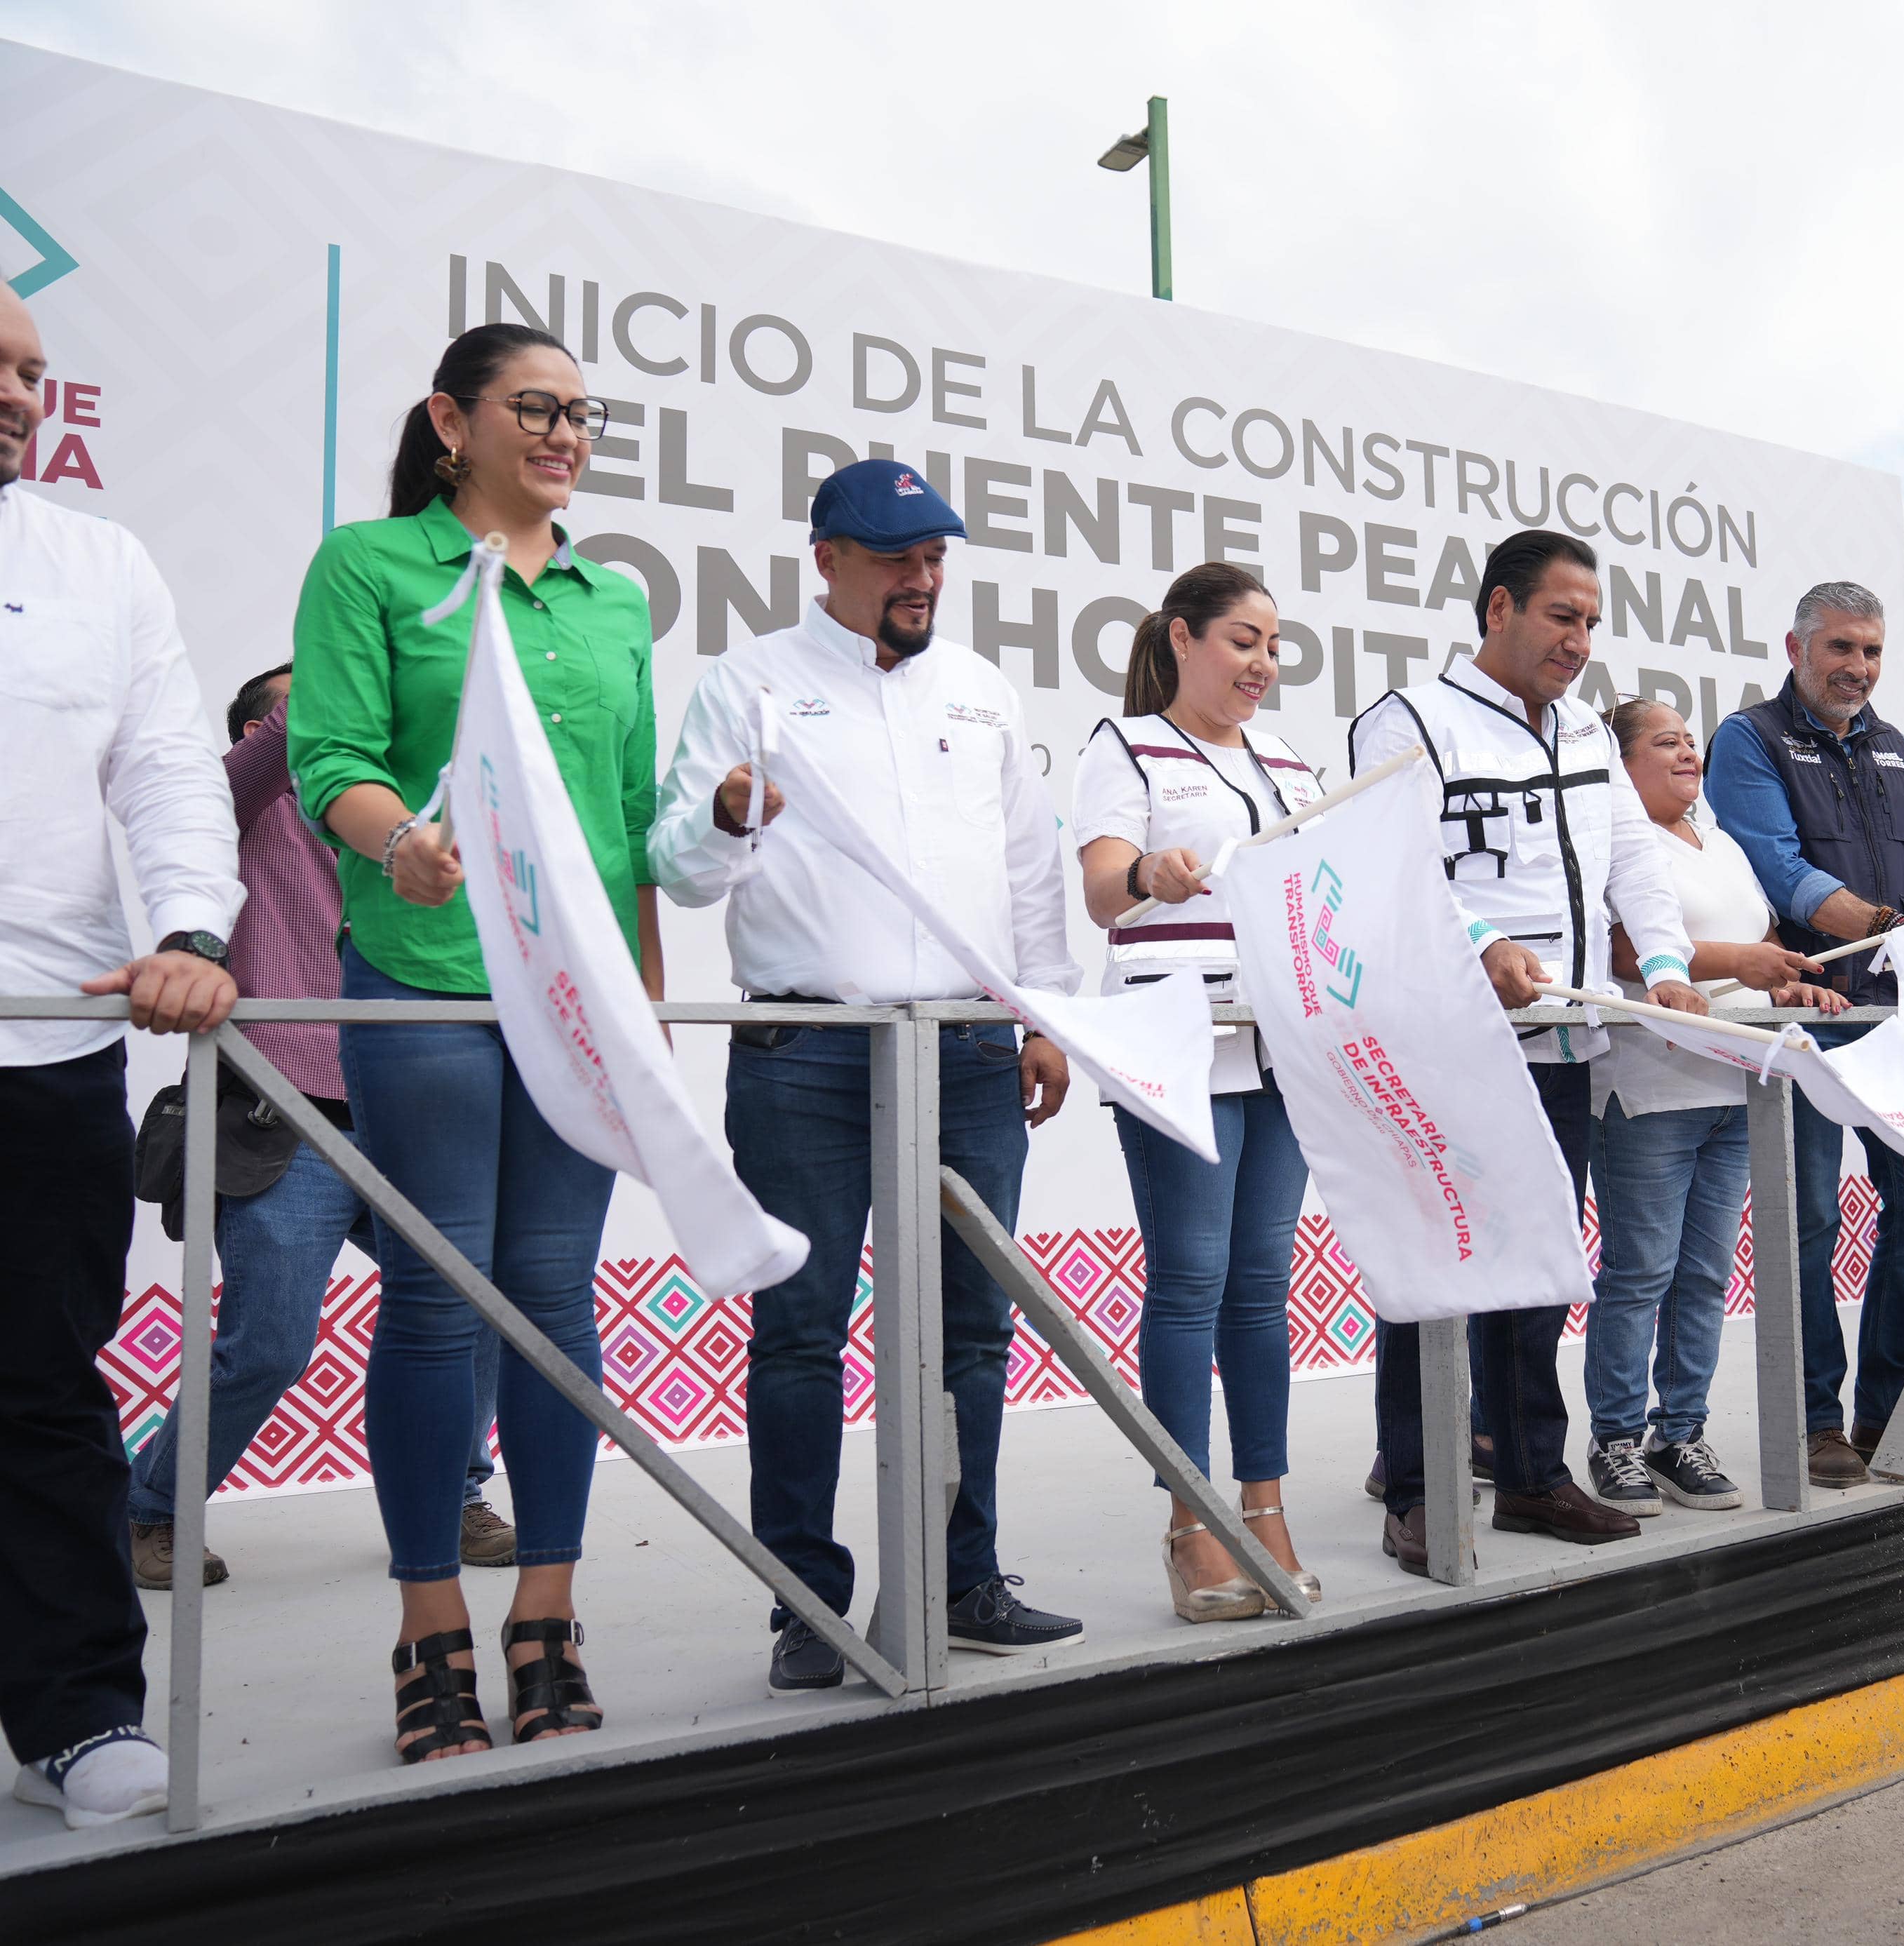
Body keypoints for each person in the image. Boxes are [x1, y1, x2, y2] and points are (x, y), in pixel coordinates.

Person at [290, 321, 659, 1760]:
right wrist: (401, 850)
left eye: (583, 412)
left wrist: (642, 1004)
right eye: (536, 408)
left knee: (556, 1303)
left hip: (580, 1004)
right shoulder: (370, 568)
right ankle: (429, 1619)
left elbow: (626, 822)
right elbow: (332, 760)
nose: (565, 434)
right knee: (443, 1301)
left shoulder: (614, 598)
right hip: (426, 978)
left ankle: (548, 1614)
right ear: (452, 420)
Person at [652, 458, 1082, 1686]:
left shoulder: (984, 689)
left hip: (967, 1048)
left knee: (971, 1333)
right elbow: (681, 869)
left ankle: (964, 1575)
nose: (921, 576)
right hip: (812, 1052)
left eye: (935, 554)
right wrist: (729, 813)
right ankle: (805, 1604)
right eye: (895, 556)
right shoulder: (750, 682)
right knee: (798, 1330)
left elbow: (1030, 872)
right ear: (827, 557)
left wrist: (1038, 1013)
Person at [1349, 529, 1707, 1573]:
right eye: (1563, 615)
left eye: (1592, 621)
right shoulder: (1409, 720)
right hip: (1446, 1039)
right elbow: (1390, 870)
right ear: (1498, 608)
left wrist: (1672, 960)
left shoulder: (1592, 731)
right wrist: (1481, 943)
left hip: (1561, 1042)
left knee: (1537, 1266)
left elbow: (1632, 858)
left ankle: (1532, 1477)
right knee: (1439, 1271)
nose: (1580, 639)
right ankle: (1416, 1489)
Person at [0, 279, 239, 1828]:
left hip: (47, 1043)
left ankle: (81, 1708)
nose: (21, 392)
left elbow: (165, 771)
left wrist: (196, 936)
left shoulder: (99, 564)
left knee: (36, 1388)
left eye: (32, 368)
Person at [125, 668, 520, 1590]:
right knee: (270, 1342)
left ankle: (452, 1495)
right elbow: (213, 795)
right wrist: (289, 722)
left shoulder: (389, 814)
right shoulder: (239, 811)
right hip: (281, 1113)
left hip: (405, 1104)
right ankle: (152, 1509)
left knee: (475, 1297)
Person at [1071, 561, 1321, 1622]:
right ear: (1182, 638)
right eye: (1242, 640)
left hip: (1283, 1047)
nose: (1262, 663)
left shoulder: (1296, 763)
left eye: (1273, 645)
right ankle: (1189, 1519)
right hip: (1179, 1043)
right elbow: (1099, 889)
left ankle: (1264, 1510)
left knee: (1261, 1285)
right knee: (1192, 1281)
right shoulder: (1122, 744)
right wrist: (1148, 878)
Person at [1705, 582, 1904, 1484]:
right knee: (1809, 1218)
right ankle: (1815, 1419)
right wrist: (1857, 914)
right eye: (1841, 649)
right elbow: (1769, 861)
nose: (1857, 669)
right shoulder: (1746, 739)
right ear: (1795, 646)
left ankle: (1891, 1412)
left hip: (1899, 1018)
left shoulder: (1895, 747)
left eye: (1870, 652)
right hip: (1808, 1013)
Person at [1583, 698, 1847, 1517]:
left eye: (1690, 741)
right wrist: (1747, 960)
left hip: (1739, 1088)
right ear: (1621, 766)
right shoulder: (1615, 846)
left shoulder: (1724, 842)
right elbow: (1627, 948)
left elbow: (1754, 951)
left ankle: (1680, 1432)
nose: (1687, 753)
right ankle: (1616, 1439)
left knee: (1701, 1276)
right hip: (1650, 1087)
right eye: (1664, 742)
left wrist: (1788, 980)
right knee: (1640, 1273)